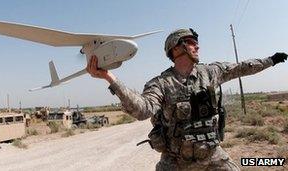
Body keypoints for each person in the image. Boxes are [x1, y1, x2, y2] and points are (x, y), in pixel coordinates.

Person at [86, 28, 287, 171]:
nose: (197, 46)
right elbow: (143, 110)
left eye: (195, 42)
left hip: (212, 154)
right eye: (190, 42)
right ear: (176, 48)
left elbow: (241, 67)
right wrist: (108, 77)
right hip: (176, 161)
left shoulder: (209, 72)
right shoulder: (161, 83)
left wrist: (271, 60)